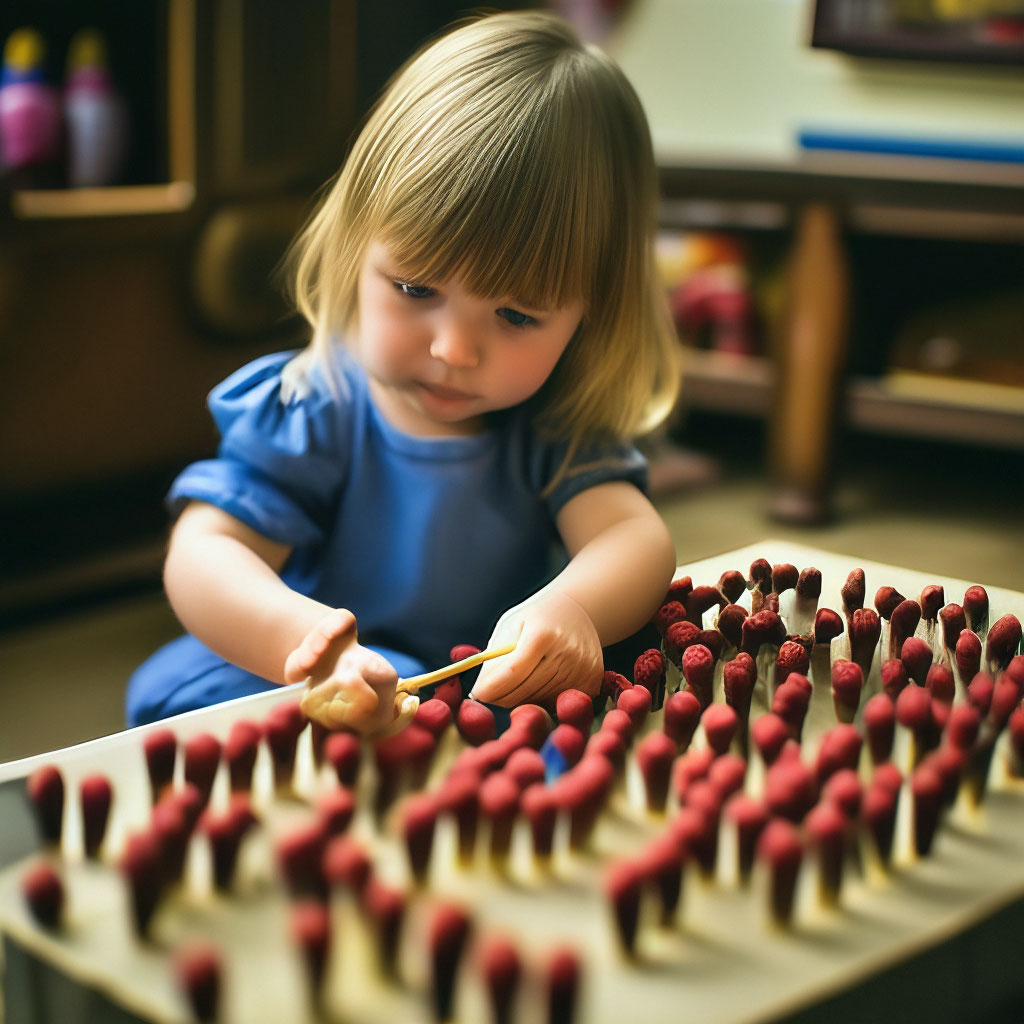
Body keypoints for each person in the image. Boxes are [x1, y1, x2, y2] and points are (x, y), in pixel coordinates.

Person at [126, 10, 680, 735]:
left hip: (483, 690)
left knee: (610, 714)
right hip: (321, 676)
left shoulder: (556, 427)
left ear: (591, 315)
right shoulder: (315, 403)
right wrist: (304, 644)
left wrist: (572, 607)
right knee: (173, 695)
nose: (453, 349)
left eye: (515, 316)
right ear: (357, 248)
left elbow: (634, 540)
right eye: (417, 290)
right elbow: (205, 552)